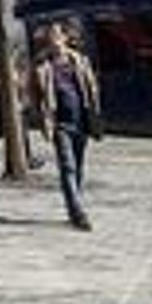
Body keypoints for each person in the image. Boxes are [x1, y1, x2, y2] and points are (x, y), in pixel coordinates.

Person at [31, 22, 102, 231]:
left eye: (56, 34)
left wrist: (95, 113)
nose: (53, 38)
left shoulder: (79, 61)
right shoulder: (42, 64)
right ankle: (78, 212)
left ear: (65, 37)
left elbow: (91, 88)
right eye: (49, 35)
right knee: (67, 166)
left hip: (81, 121)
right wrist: (41, 118)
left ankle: (73, 206)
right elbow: (35, 94)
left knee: (78, 167)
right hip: (59, 123)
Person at [0, 50, 42, 169]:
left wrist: (25, 104)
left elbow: (23, 90)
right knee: (5, 131)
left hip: (18, 106)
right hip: (5, 106)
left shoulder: (20, 72)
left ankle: (28, 158)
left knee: (22, 132)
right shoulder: (7, 72)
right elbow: (0, 88)